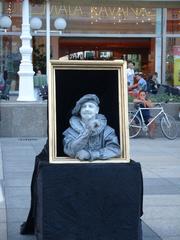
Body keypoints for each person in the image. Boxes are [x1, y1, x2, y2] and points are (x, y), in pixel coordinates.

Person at [63, 94, 121, 161]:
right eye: (84, 107)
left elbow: (115, 150)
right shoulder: (70, 132)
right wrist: (87, 132)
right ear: (80, 111)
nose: (87, 109)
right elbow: (70, 151)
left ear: (97, 110)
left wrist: (90, 154)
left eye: (90, 106)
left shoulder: (108, 131)